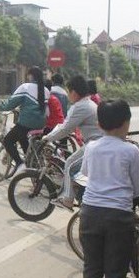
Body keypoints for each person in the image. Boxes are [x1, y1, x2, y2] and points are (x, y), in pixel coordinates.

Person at [75, 99, 139, 278]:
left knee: (92, 269)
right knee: (114, 274)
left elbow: (85, 174)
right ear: (126, 123)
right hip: (118, 217)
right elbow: (137, 188)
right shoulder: (131, 150)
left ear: (99, 124)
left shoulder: (91, 147)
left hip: (90, 213)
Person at [43, 75, 101, 210]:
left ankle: (68, 200)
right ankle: (79, 192)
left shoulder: (80, 106)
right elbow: (65, 125)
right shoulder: (88, 103)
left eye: (69, 92)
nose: (68, 95)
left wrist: (47, 138)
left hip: (94, 145)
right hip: (96, 143)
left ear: (74, 92)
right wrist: (50, 135)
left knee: (70, 163)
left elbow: (65, 129)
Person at [0, 66, 50, 173]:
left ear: (30, 75)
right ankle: (31, 161)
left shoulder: (25, 87)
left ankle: (19, 163)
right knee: (22, 138)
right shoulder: (45, 90)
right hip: (41, 124)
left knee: (7, 141)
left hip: (27, 122)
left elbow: (11, 103)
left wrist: (0, 106)